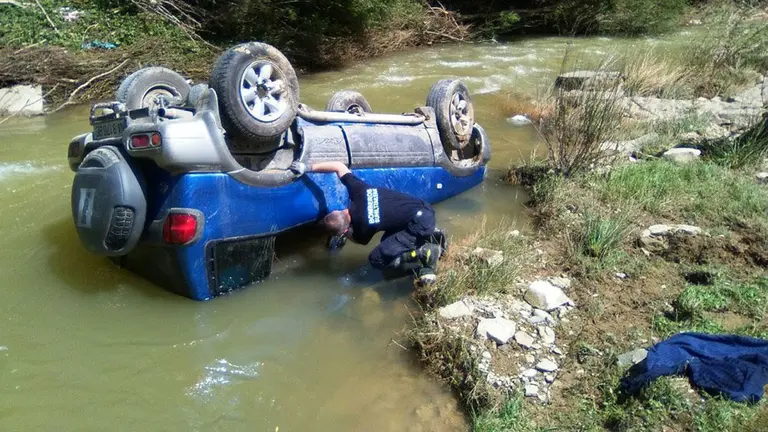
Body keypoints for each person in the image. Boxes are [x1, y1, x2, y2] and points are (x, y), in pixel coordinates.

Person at [289, 160, 445, 285]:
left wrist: (345, 235)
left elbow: (360, 241)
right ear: (342, 211)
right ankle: (430, 234)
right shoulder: (359, 191)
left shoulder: (363, 225)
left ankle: (425, 252)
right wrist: (306, 167)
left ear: (344, 230)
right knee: (386, 242)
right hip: (420, 209)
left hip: (419, 223)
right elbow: (338, 166)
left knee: (378, 259)